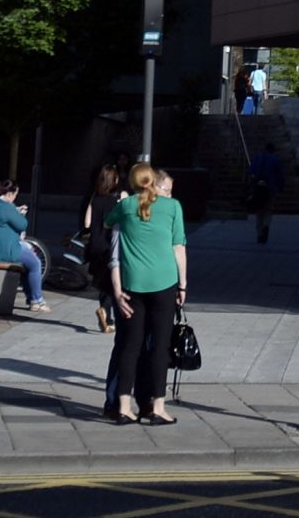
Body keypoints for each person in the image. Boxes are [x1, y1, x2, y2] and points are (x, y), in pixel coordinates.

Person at [106, 160, 188, 425]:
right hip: (164, 283)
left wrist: (124, 201)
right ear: (153, 181)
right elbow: (179, 248)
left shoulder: (125, 206)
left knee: (131, 346)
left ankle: (123, 406)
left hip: (132, 286)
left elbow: (108, 223)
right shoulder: (172, 206)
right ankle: (157, 408)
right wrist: (183, 284)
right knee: (160, 347)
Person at [0, 178, 50, 313]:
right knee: (35, 263)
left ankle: (32, 299)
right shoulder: (8, 208)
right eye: (15, 195)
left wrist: (14, 211)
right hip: (5, 251)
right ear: (10, 194)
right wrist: (20, 214)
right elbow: (22, 225)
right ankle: (37, 301)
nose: (15, 197)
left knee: (27, 264)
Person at [80, 162, 124, 338]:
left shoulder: (94, 197)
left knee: (102, 282)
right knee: (114, 282)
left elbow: (87, 223)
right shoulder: (120, 197)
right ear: (114, 179)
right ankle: (109, 314)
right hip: (110, 245)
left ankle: (105, 313)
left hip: (95, 245)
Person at [245, 142, 284, 244]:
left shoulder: (257, 158)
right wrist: (280, 187)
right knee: (268, 210)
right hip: (270, 189)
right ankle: (266, 225)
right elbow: (280, 176)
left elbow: (250, 171)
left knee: (258, 213)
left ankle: (259, 234)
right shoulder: (276, 160)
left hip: (257, 188)